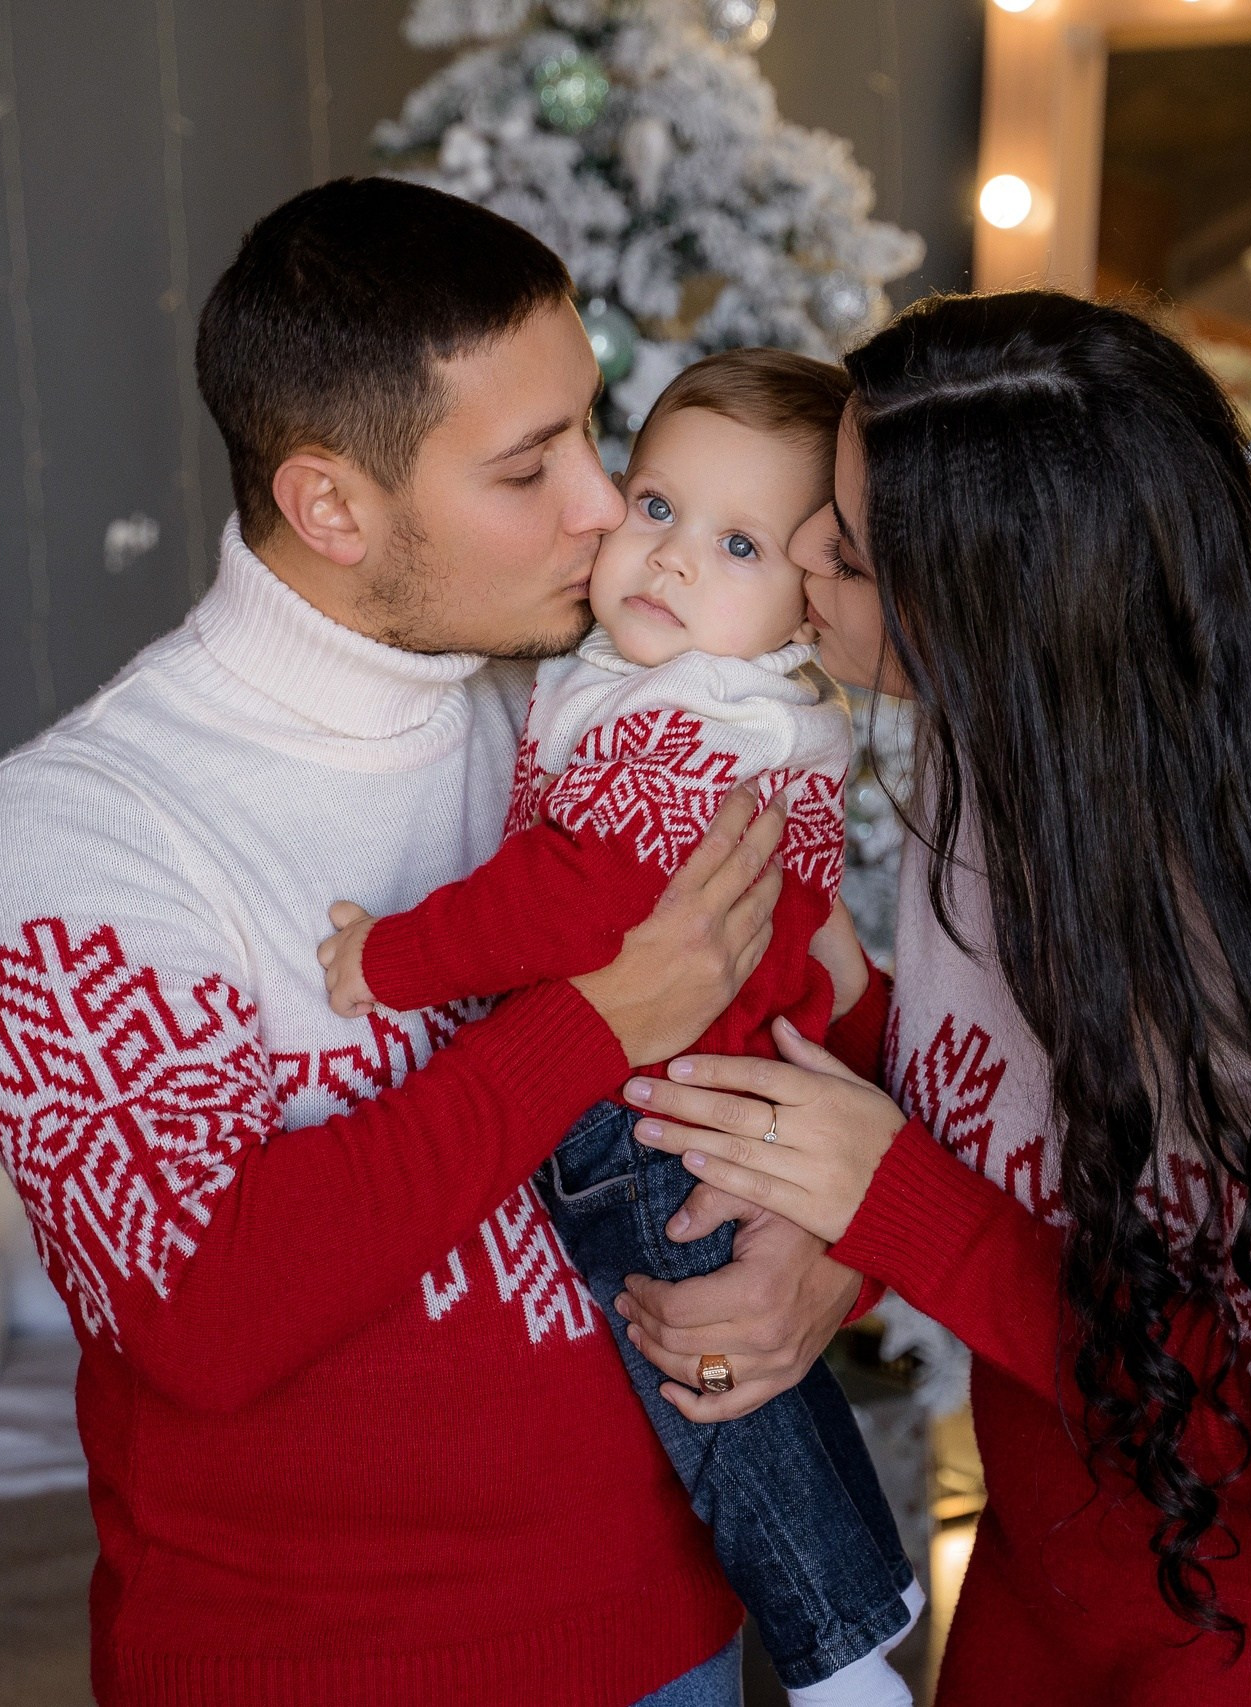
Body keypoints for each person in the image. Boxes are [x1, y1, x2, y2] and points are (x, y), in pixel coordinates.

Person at [0, 178, 871, 1707]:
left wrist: (827, 1258)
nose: (599, 506)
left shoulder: (592, 728)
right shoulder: (73, 837)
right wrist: (594, 1025)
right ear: (332, 507)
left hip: (680, 1644)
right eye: (527, 467)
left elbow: (834, 1034)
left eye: (590, 431)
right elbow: (197, 1317)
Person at [618, 291, 1251, 1703]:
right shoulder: (998, 772)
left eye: (852, 547)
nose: (806, 550)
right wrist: (837, 1158)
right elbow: (1019, 1135)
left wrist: (887, 1205)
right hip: (1063, 1579)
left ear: (1002, 616)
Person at [320, 349, 922, 1707]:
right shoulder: (670, 691)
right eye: (655, 507)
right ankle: (869, 1592)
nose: (669, 559)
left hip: (657, 1116)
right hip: (696, 1090)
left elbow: (573, 894)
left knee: (703, 1381)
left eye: (739, 543)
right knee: (746, 1375)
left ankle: (835, 1655)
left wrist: (390, 958)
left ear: (802, 607)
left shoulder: (699, 730)